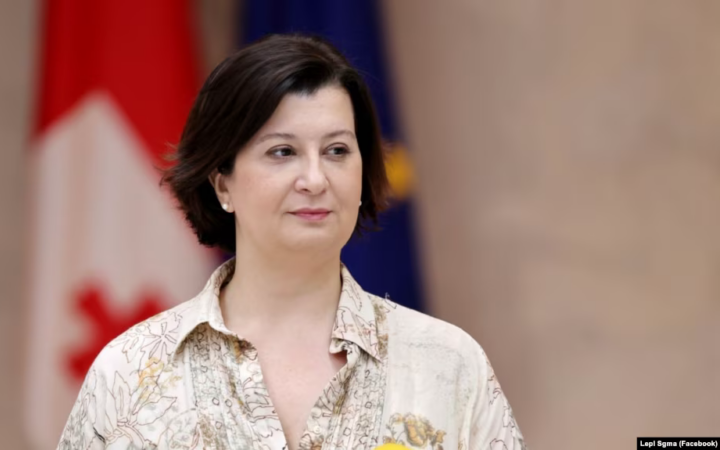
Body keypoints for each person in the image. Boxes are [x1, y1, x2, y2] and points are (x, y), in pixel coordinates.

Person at [57, 34, 527, 450]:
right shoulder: (129, 372)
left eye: (337, 151)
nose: (315, 179)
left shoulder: (449, 366)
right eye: (282, 152)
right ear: (222, 184)